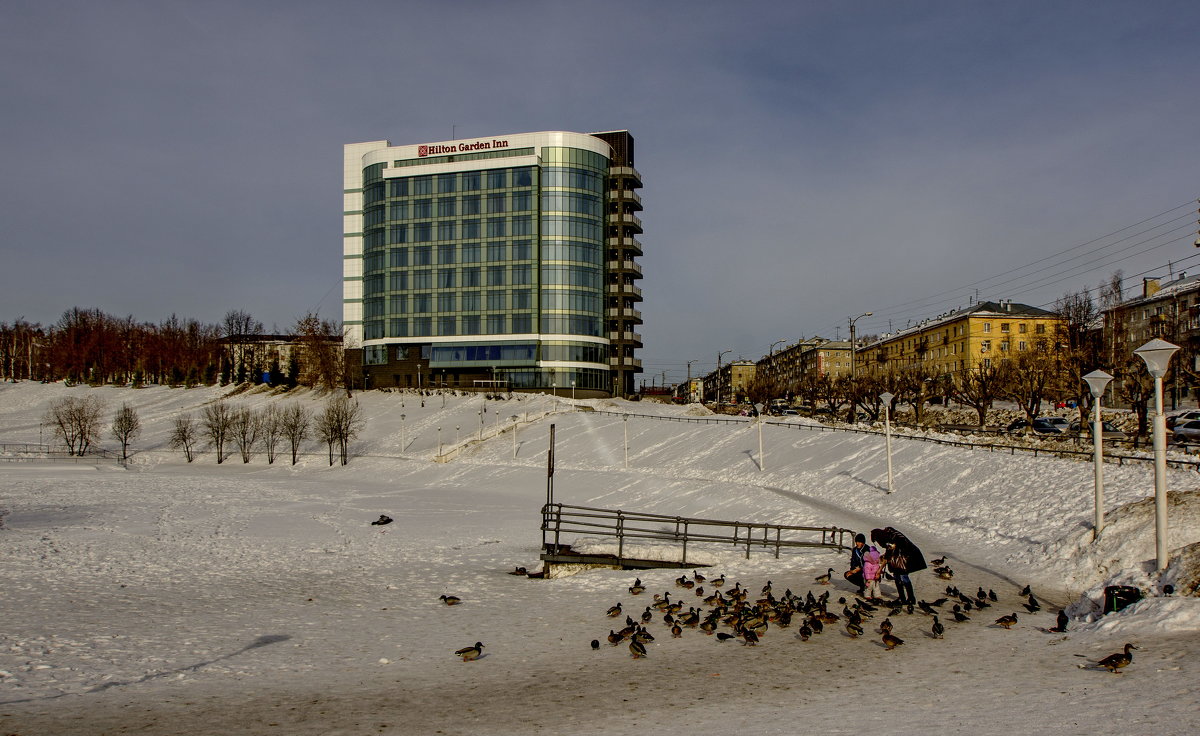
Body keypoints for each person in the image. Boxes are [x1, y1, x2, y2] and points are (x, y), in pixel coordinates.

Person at [871, 526, 926, 606]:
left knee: (903, 576)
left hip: (906, 558)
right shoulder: (889, 536)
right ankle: (903, 598)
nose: (879, 543)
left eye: (877, 541)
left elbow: (891, 552)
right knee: (897, 576)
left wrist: (880, 570)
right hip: (901, 558)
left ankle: (910, 598)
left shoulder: (892, 537)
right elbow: (889, 552)